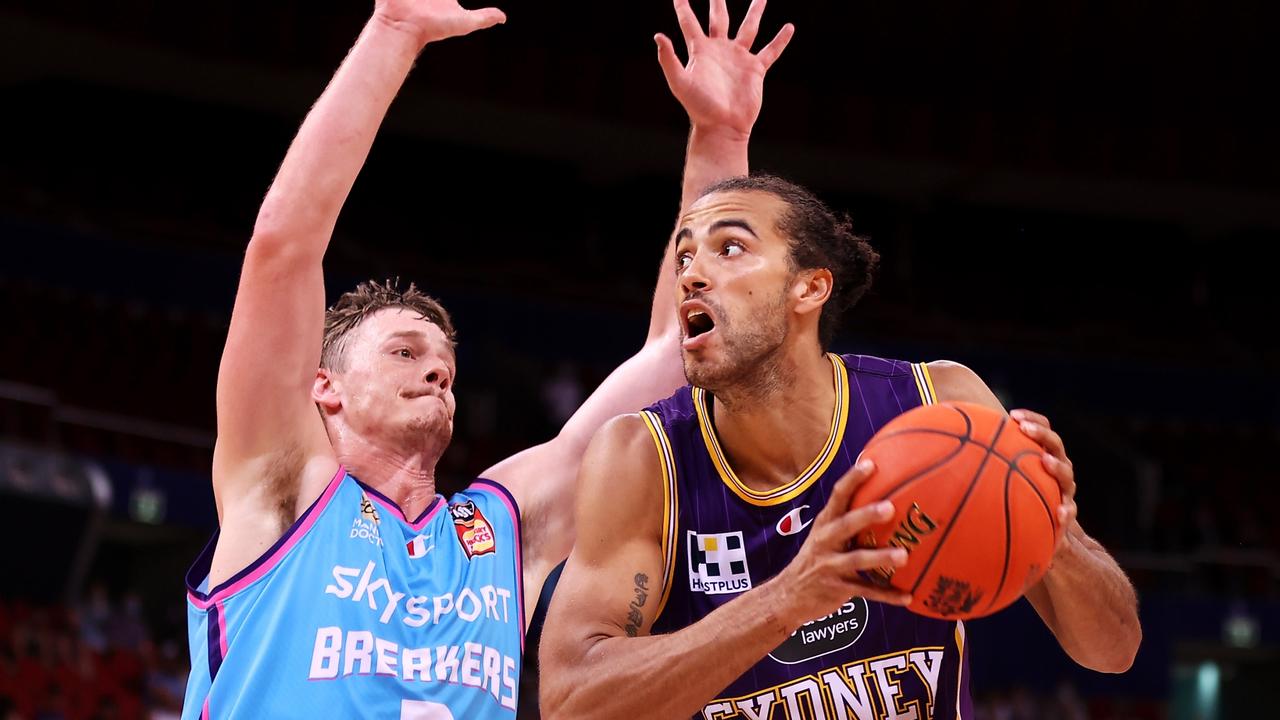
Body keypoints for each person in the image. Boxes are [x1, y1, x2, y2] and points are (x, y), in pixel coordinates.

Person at [179, 0, 793, 717]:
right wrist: (393, 31)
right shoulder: (284, 485)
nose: (436, 371)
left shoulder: (501, 526)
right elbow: (283, 248)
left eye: (443, 362)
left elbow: (672, 358)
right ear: (326, 388)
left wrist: (719, 139)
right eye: (404, 352)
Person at [538, 172, 1143, 718]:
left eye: (730, 247)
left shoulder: (941, 406)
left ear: (810, 288)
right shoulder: (642, 457)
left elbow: (1114, 650)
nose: (691, 273)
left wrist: (1054, 532)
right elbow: (571, 704)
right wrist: (789, 599)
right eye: (684, 255)